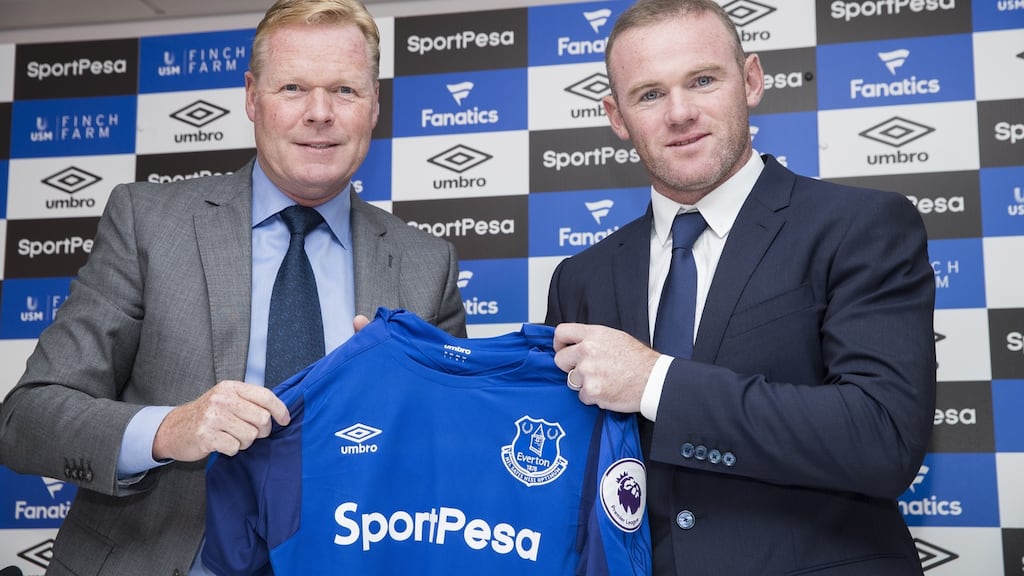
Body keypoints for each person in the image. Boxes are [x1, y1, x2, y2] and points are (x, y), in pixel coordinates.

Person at [0, 1, 465, 574]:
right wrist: (170, 429)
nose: (319, 113)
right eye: (292, 87)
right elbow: (27, 420)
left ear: (374, 105)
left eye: (345, 90)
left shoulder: (427, 264)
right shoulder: (147, 222)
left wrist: (404, 408)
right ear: (251, 97)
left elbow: (450, 463)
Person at [545, 1, 936, 575]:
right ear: (617, 116)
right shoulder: (580, 277)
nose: (679, 113)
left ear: (750, 80)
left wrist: (655, 381)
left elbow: (883, 438)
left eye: (702, 80)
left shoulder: (861, 226)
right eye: (649, 94)